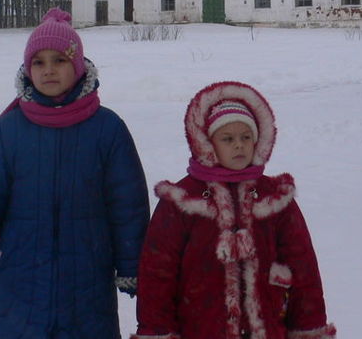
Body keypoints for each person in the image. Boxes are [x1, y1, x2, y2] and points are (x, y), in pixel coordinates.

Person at [0, 8, 150, 339]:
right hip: (21, 278)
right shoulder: (10, 130)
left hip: (88, 279)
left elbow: (128, 204)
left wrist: (134, 266)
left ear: (77, 66)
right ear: (27, 69)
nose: (49, 70)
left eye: (60, 60)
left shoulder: (107, 129)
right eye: (39, 62)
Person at [133, 81, 336, 339]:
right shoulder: (182, 201)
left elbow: (304, 268)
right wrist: (157, 331)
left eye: (245, 137)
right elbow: (157, 275)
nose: (239, 145)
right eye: (228, 139)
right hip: (200, 328)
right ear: (207, 143)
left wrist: (308, 327)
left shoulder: (276, 199)